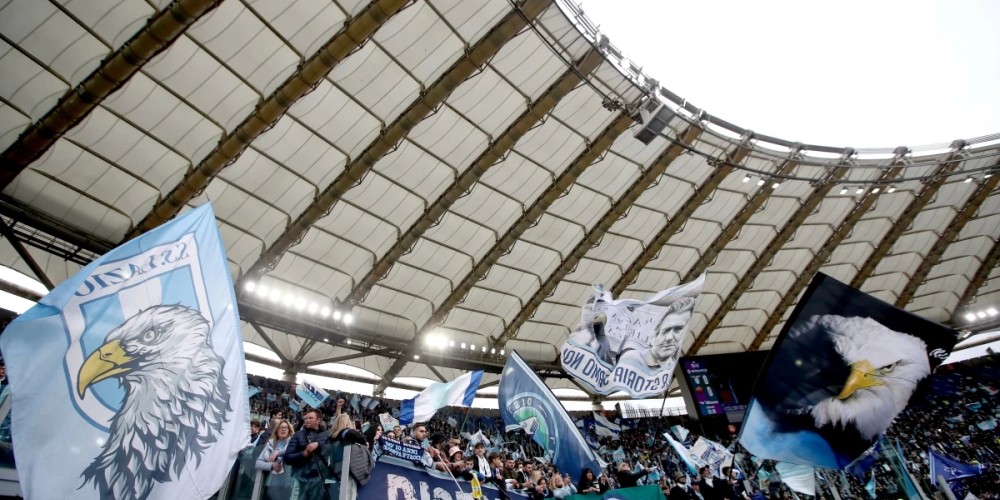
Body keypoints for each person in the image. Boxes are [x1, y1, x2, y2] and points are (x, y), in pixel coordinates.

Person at [284, 409, 331, 499]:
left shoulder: (327, 435)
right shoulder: (298, 435)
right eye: (306, 418)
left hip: (319, 481)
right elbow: (287, 458)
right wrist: (303, 454)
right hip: (300, 479)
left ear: (318, 420)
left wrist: (318, 444)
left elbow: (332, 447)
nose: (307, 420)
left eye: (310, 418)